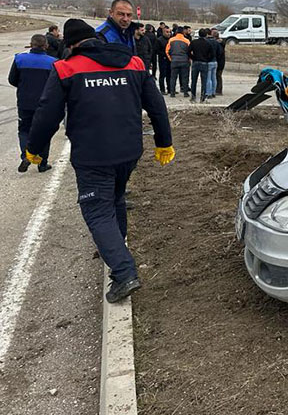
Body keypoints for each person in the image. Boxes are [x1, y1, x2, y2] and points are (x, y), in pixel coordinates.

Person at [23, 19, 175, 303]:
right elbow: (156, 105)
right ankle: (115, 247)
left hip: (94, 155)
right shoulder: (132, 63)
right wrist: (164, 142)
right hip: (129, 151)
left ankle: (123, 271)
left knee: (96, 210)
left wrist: (34, 148)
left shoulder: (66, 68)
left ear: (70, 44)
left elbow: (47, 114)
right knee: (115, 198)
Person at [8, 34, 56, 173]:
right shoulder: (53, 63)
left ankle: (26, 156)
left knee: (24, 130)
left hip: (25, 103)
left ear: (31, 44)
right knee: (44, 132)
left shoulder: (19, 59)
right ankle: (42, 163)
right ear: (46, 45)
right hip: (45, 104)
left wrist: (25, 87)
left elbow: (12, 80)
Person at [188, 28, 215, 103]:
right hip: (204, 63)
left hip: (195, 62)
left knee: (194, 81)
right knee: (204, 81)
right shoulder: (208, 43)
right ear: (206, 35)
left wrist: (193, 57)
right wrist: (207, 59)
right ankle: (203, 98)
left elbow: (188, 51)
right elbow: (212, 54)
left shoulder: (194, 42)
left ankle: (193, 97)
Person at [166, 27, 190, 97]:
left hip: (174, 61)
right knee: (185, 78)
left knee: (173, 78)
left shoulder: (171, 40)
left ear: (176, 32)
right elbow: (190, 52)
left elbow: (167, 51)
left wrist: (171, 59)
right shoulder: (187, 41)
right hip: (184, 61)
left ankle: (172, 93)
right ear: (183, 32)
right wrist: (188, 60)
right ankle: (185, 92)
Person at [205, 29, 222, 99]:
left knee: (208, 78)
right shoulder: (216, 42)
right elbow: (220, 52)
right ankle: (213, 92)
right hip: (215, 61)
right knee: (214, 77)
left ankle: (208, 93)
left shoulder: (206, 42)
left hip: (208, 61)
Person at [156, 26, 172, 95]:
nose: (168, 33)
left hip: (170, 59)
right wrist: (165, 54)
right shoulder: (159, 40)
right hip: (163, 59)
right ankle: (162, 89)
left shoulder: (171, 40)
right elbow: (157, 50)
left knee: (169, 75)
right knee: (162, 75)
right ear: (163, 32)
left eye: (169, 32)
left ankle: (169, 89)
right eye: (167, 32)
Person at [212, 29, 225, 96]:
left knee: (217, 76)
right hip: (221, 62)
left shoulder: (217, 43)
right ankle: (217, 89)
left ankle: (218, 90)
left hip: (218, 61)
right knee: (218, 76)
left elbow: (218, 53)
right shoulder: (221, 42)